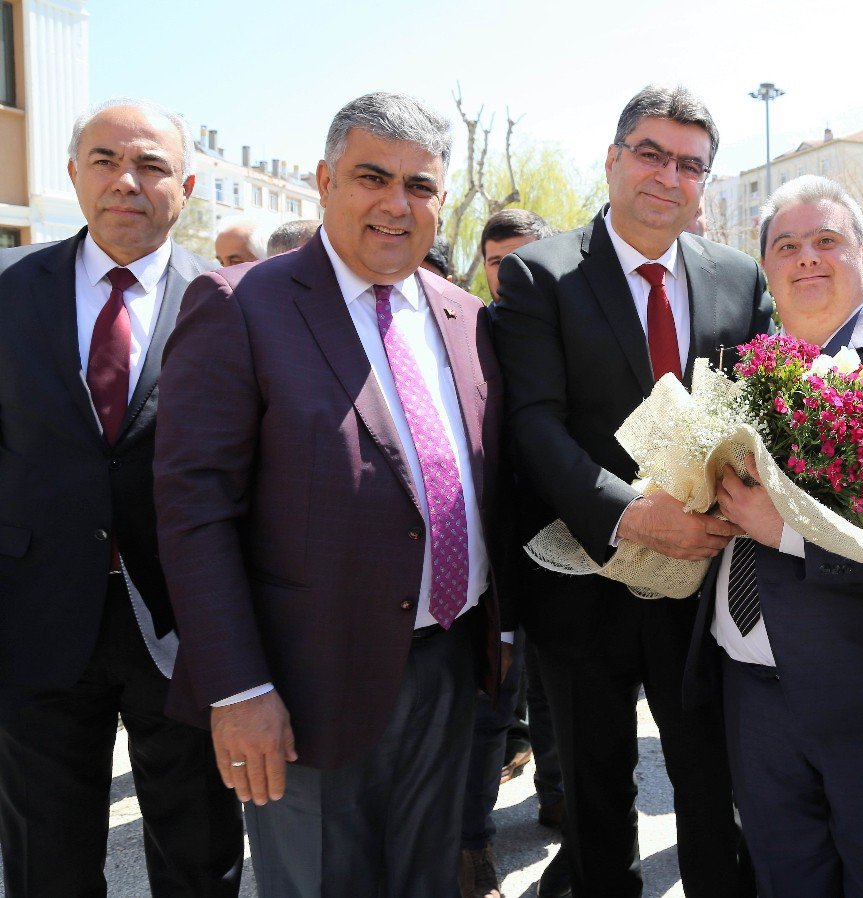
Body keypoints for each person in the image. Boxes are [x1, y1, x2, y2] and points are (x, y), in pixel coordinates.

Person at [154, 91, 512, 898]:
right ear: (322, 180)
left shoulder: (464, 316)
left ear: (441, 199)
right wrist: (239, 689)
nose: (396, 204)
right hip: (302, 683)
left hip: (449, 665)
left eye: (419, 186)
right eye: (371, 177)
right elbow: (193, 510)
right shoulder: (241, 305)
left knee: (423, 879)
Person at [492, 84, 771, 898]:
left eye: (690, 164)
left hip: (708, 585)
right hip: (585, 581)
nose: (667, 176)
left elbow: (754, 413)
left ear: (704, 184)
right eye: (650, 153)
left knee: (711, 785)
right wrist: (630, 517)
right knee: (596, 793)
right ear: (613, 160)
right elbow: (535, 424)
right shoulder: (540, 275)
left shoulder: (738, 277)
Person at [686, 174, 863, 897]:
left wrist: (788, 534)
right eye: (786, 245)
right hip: (750, 695)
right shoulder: (737, 371)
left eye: (826, 240)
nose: (806, 257)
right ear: (767, 268)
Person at [0, 97, 244, 896]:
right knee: (46, 860)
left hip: (185, 624)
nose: (125, 182)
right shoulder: (8, 291)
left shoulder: (233, 305)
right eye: (105, 161)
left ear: (187, 184)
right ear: (73, 173)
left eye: (151, 165)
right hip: (34, 620)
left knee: (198, 851)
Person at [460, 207, 568, 898]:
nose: (514, 274)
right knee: (491, 703)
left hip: (568, 544)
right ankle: (471, 851)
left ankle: (561, 800)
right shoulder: (465, 333)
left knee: (562, 694)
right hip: (492, 551)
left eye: (527, 257)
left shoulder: (573, 325)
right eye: (500, 262)